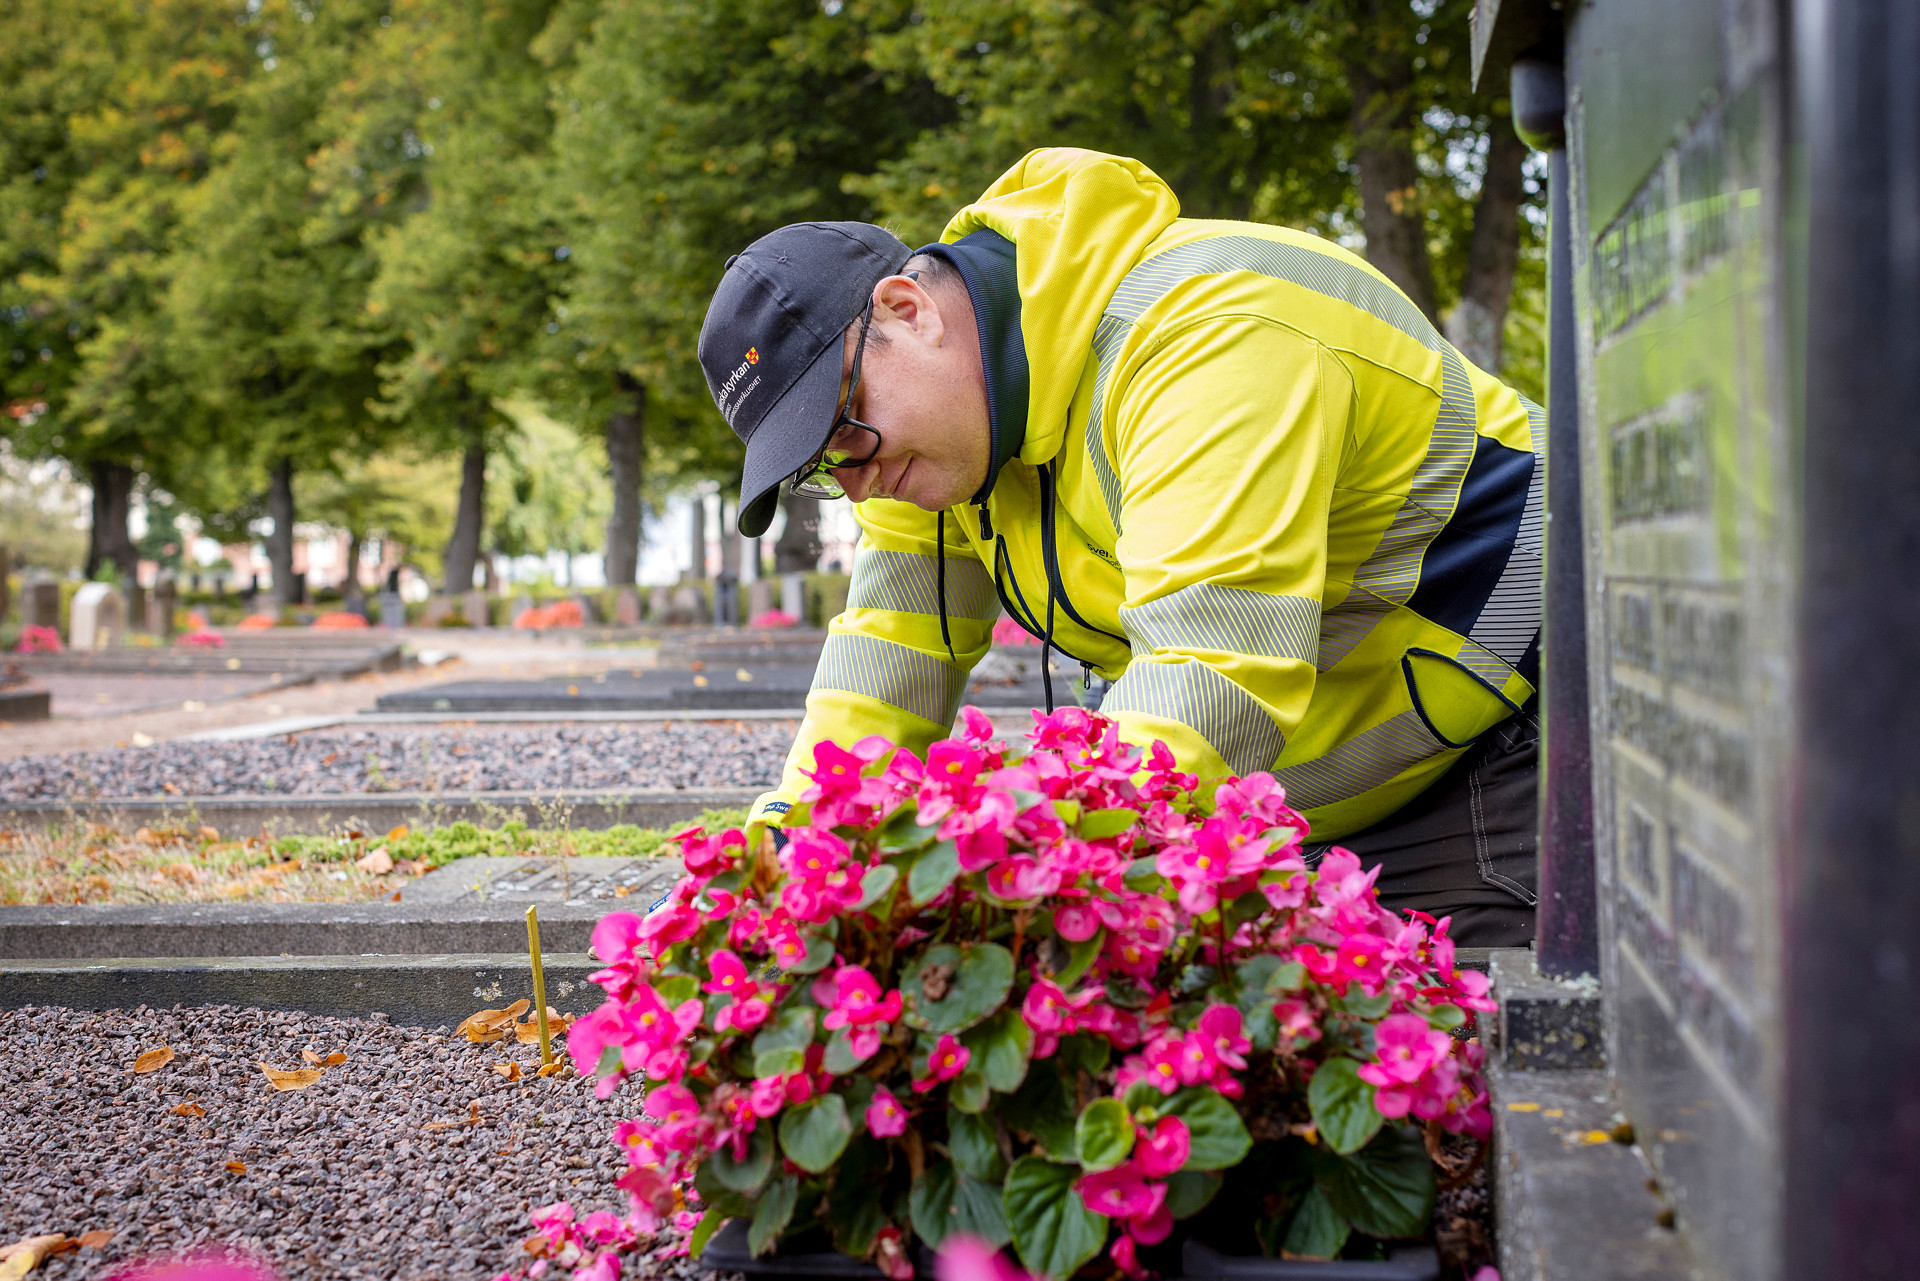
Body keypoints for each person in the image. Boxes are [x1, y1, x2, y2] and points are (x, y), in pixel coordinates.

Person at [696, 148, 1542, 946]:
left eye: (844, 432)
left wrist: (1017, 875)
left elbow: (1210, 670)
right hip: (1303, 802)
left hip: (1503, 747)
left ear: (907, 312)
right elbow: (888, 656)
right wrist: (777, 864)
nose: (857, 479)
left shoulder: (1211, 331)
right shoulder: (923, 443)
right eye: (823, 466)